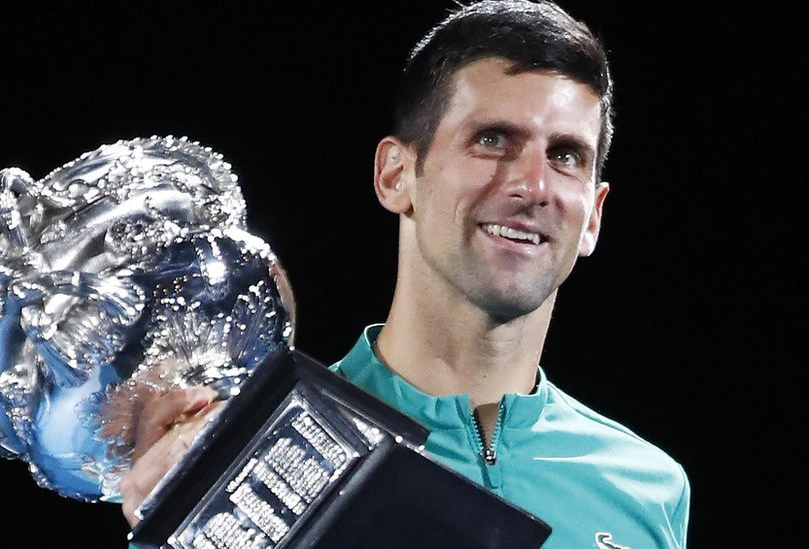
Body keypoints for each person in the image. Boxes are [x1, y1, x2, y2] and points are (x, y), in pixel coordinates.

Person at [120, 1, 690, 547]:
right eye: (492, 140)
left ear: (592, 216)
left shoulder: (646, 491)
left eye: (566, 156)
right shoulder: (256, 458)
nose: (533, 187)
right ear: (396, 174)